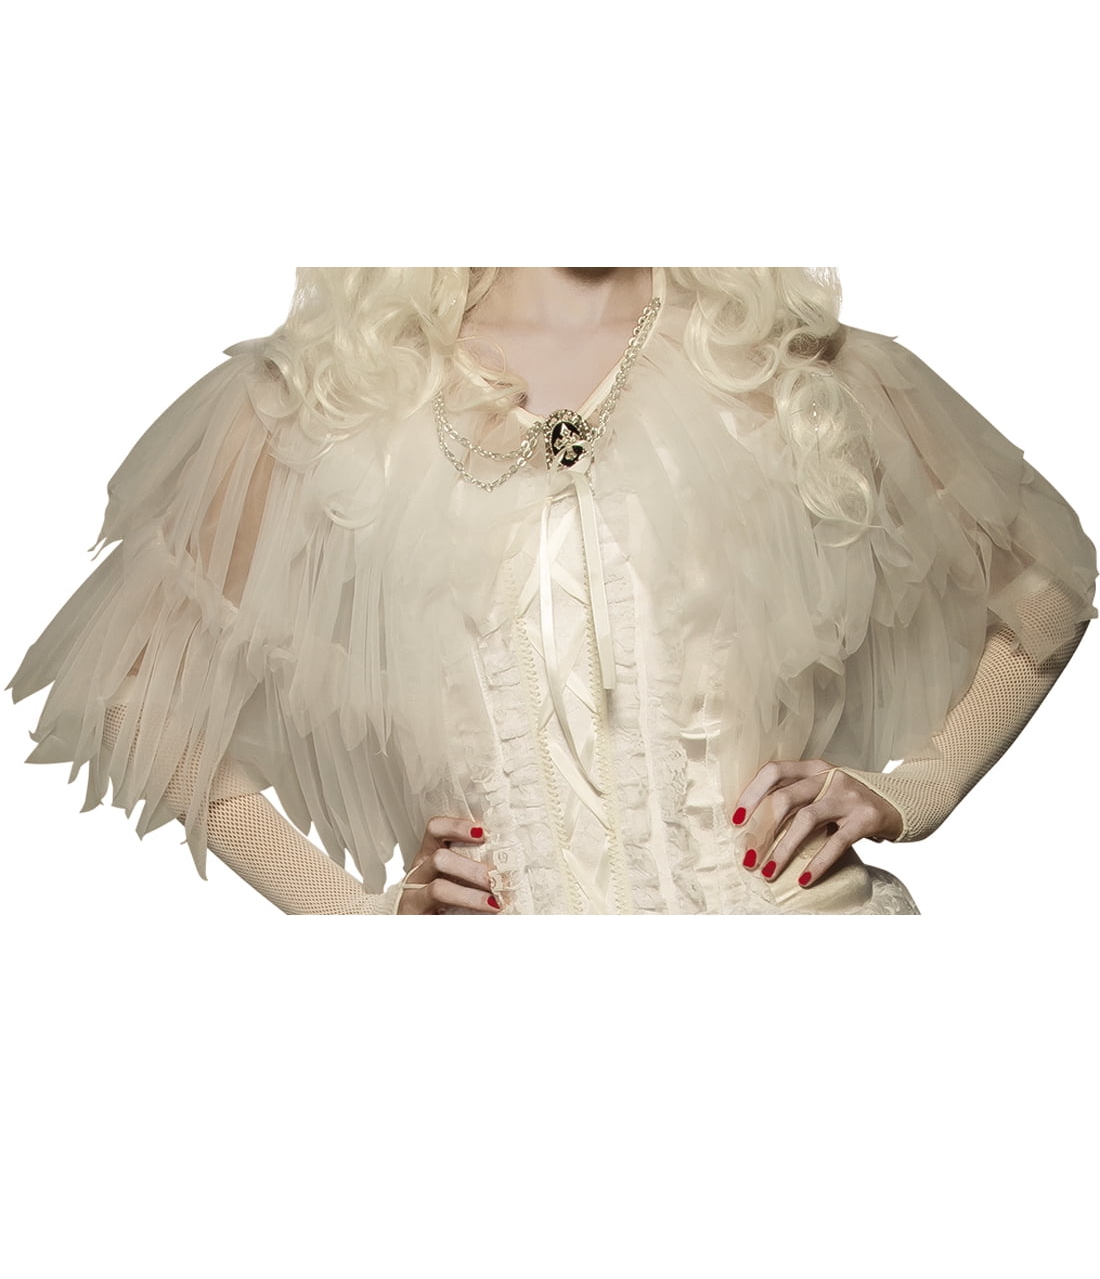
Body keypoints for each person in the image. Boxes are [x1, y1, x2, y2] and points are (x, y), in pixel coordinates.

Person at [7, 267, 1097, 914]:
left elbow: (1047, 585)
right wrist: (352, 916)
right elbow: (133, 691)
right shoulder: (342, 384)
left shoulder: (781, 360)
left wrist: (921, 786)